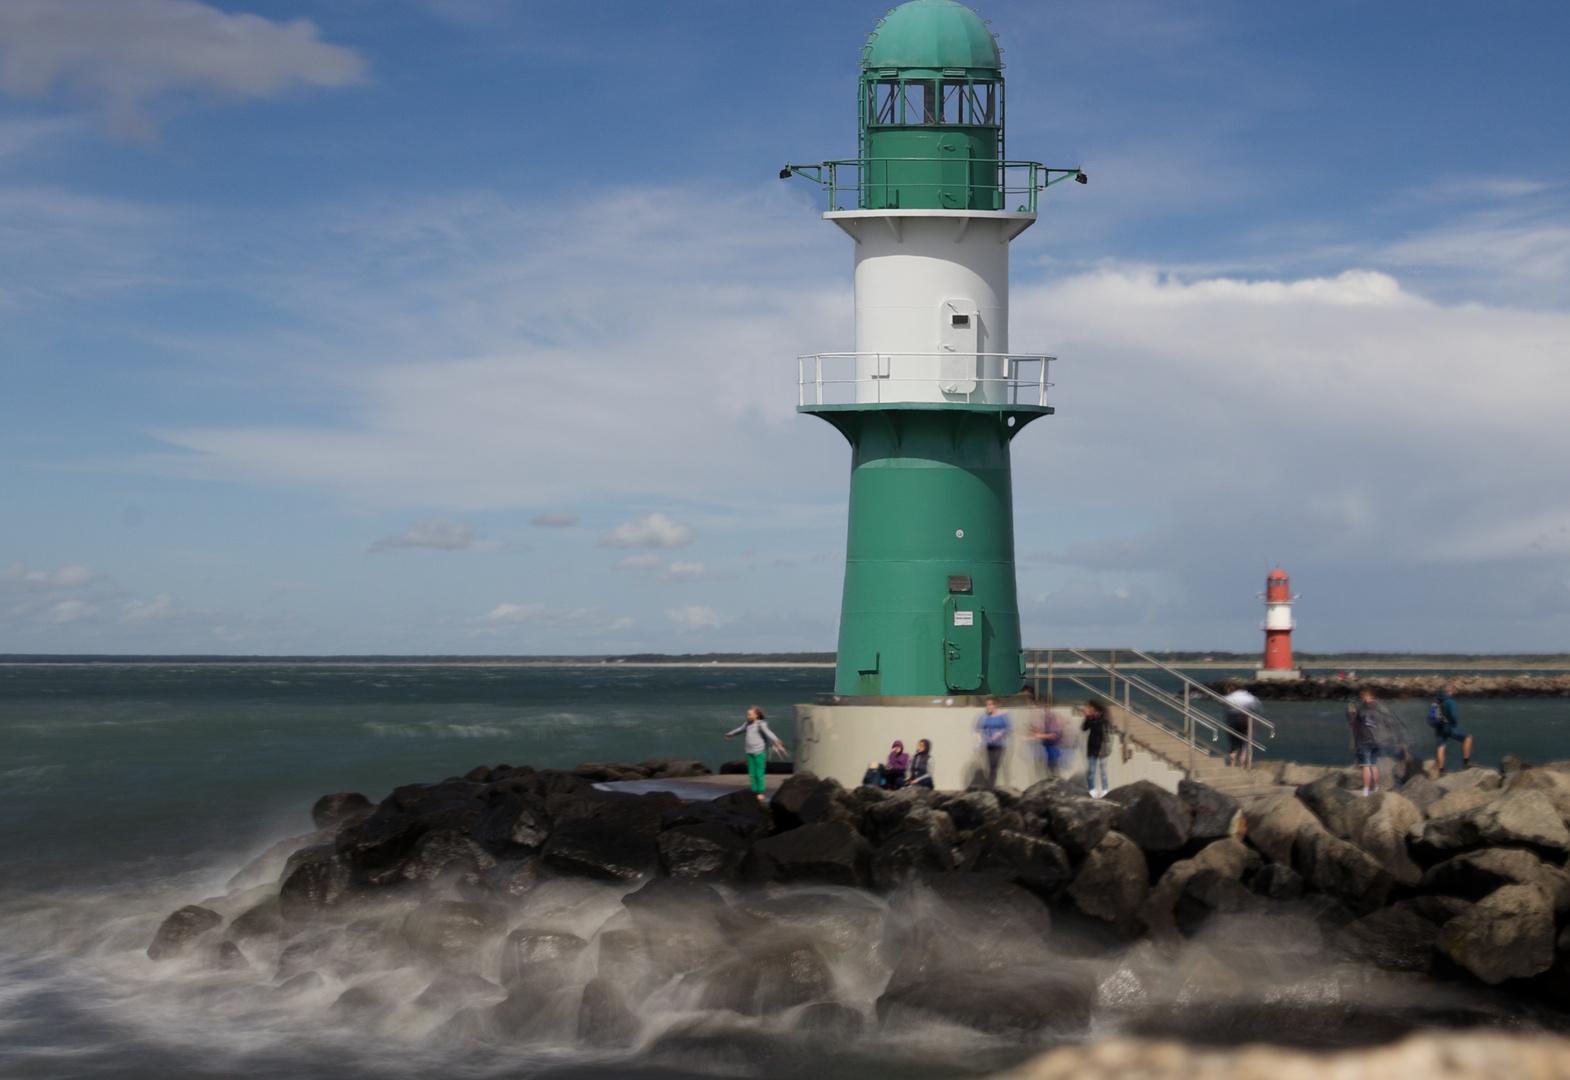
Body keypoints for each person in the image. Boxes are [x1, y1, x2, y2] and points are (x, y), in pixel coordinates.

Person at [725, 706, 787, 802]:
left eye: (750, 714)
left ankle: (761, 792)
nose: (748, 716)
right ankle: (754, 791)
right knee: (752, 774)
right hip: (749, 752)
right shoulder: (747, 723)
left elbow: (768, 732)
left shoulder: (761, 724)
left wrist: (776, 740)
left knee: (759, 773)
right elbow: (740, 729)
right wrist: (731, 734)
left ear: (756, 715)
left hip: (759, 752)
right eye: (747, 714)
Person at [1349, 689, 1388, 796]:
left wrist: (1351, 714)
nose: (1361, 699)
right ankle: (1376, 787)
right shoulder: (1379, 708)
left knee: (1365, 766)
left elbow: (1354, 724)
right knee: (1373, 765)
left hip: (1364, 741)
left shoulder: (1362, 709)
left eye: (1363, 697)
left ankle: (1366, 790)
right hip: (1376, 740)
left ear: (1368, 697)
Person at [1430, 683, 1473, 773]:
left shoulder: (1437, 699)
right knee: (1468, 738)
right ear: (1448, 691)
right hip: (1448, 727)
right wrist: (1453, 724)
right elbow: (1453, 716)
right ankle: (1466, 762)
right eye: (1453, 689)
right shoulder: (1450, 701)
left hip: (1438, 727)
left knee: (1441, 746)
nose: (1454, 691)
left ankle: (1441, 770)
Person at [974, 698, 1011, 788]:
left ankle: (992, 784)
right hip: (988, 743)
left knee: (995, 764)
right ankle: (991, 784)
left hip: (999, 743)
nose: (989, 706)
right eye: (987, 705)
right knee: (991, 764)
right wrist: (979, 741)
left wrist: (999, 734)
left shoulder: (1003, 716)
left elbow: (1008, 728)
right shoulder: (984, 716)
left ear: (995, 705)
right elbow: (978, 729)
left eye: (991, 704)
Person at [1222, 686, 1260, 767]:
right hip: (1245, 721)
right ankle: (1242, 766)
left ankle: (1232, 765)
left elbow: (1223, 704)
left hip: (1233, 721)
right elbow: (1254, 708)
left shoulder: (1229, 697)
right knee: (1244, 746)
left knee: (1233, 746)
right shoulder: (1249, 697)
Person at [1081, 700, 1111, 797]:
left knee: (1103, 770)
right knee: (1091, 770)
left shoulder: (1102, 718)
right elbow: (1084, 728)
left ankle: (1105, 789)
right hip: (1092, 746)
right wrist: (1087, 717)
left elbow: (1106, 730)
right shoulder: (1090, 719)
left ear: (1095, 708)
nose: (1089, 709)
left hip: (1102, 746)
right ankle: (1091, 789)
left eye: (1090, 707)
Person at [1032, 707, 1064, 777]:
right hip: (1048, 750)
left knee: (1054, 771)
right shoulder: (1047, 722)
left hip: (1053, 750)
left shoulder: (1053, 722)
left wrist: (1040, 736)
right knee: (1049, 770)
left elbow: (1053, 735)